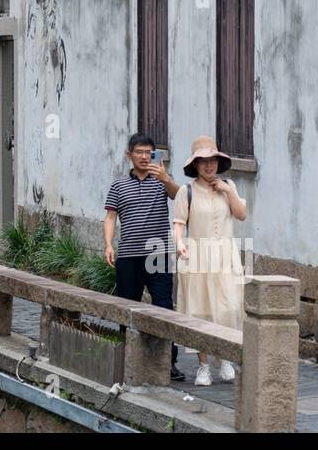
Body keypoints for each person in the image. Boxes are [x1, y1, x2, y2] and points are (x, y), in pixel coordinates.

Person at [103, 133, 184, 382]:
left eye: (148, 152)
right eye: (138, 152)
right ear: (129, 155)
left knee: (163, 307)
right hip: (128, 255)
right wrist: (108, 245)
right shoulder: (118, 186)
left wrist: (166, 178)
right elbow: (110, 217)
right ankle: (128, 356)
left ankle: (168, 362)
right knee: (128, 306)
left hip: (158, 253)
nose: (143, 156)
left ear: (154, 155)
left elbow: (180, 197)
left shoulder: (161, 181)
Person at [174, 136, 248, 387]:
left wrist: (227, 191)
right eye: (203, 161)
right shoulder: (187, 191)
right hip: (197, 255)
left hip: (225, 255)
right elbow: (179, 223)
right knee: (200, 310)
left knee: (229, 307)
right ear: (195, 165)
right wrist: (179, 242)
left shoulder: (230, 186)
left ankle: (225, 357)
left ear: (219, 161)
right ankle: (203, 366)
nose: (208, 165)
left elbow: (241, 215)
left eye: (212, 160)